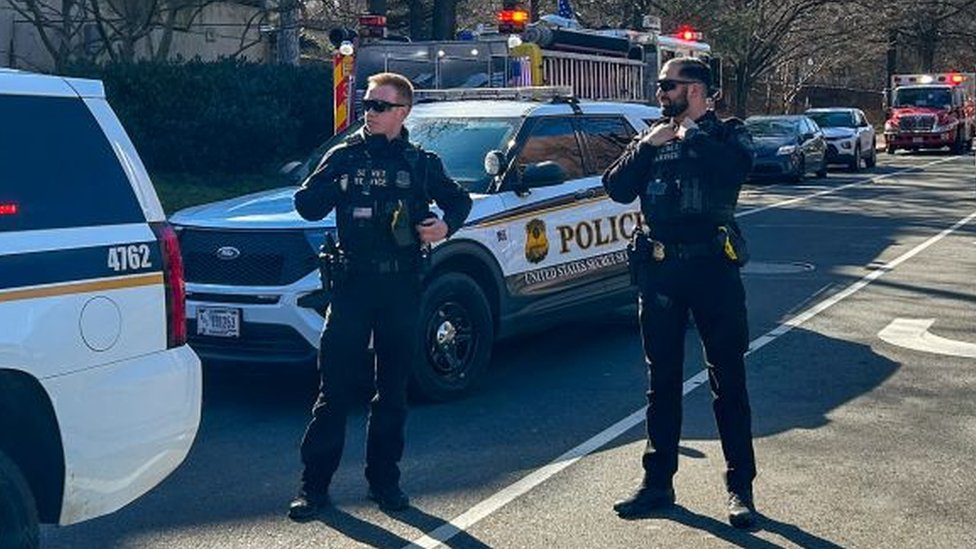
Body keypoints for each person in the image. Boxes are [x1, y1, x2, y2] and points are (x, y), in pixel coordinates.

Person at [288, 72, 472, 520]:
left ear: (403, 112)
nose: (369, 112)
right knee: (333, 392)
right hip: (352, 287)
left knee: (391, 391)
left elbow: (459, 201)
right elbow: (306, 203)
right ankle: (314, 489)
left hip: (400, 287)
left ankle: (385, 482)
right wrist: (341, 185)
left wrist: (445, 227)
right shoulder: (344, 157)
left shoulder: (419, 162)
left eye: (379, 106)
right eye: (367, 104)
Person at [601, 58, 758, 528]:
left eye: (667, 85)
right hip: (661, 271)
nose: (659, 92)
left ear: (694, 90)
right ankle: (657, 483)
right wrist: (647, 146)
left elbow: (734, 170)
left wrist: (691, 134)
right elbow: (616, 188)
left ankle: (740, 488)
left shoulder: (727, 133)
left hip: (713, 268)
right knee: (661, 381)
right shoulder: (652, 137)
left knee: (727, 379)